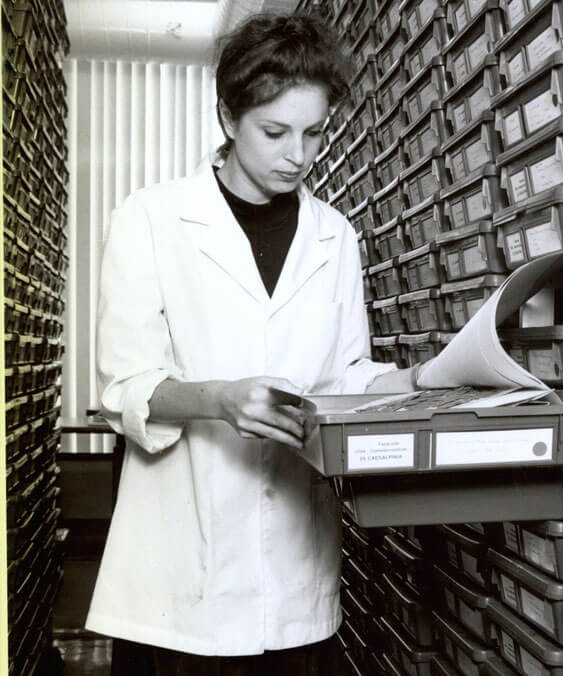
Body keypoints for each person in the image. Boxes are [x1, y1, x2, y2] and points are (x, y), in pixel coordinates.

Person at [87, 12, 419, 673]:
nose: (299, 154)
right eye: (275, 132)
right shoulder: (151, 219)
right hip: (177, 583)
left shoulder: (336, 237)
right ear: (228, 117)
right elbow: (123, 386)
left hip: (293, 573)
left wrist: (422, 382)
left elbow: (345, 376)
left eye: (315, 132)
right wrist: (220, 399)